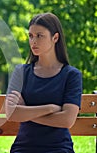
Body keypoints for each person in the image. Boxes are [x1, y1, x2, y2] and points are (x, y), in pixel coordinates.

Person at [5, 12, 82, 152]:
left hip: (58, 148)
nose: (33, 41)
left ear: (55, 37)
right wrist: (51, 108)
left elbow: (67, 120)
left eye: (39, 36)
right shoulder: (21, 72)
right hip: (24, 148)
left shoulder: (72, 75)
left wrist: (26, 112)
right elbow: (11, 114)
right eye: (31, 36)